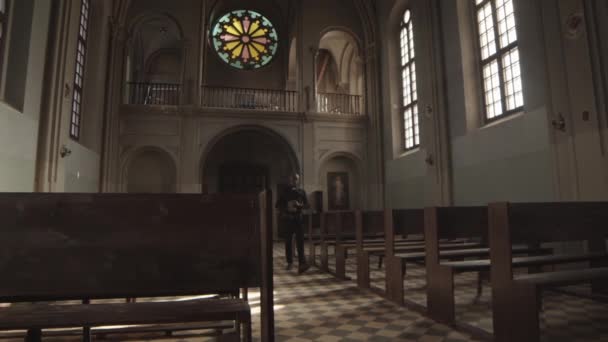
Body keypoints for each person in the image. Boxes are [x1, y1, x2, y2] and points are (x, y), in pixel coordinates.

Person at [276, 173, 310, 274]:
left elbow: (307, 205)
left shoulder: (302, 192)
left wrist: (300, 205)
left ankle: (301, 263)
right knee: (288, 241)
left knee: (300, 241)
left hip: (298, 219)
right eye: (293, 179)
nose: (294, 181)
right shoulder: (284, 192)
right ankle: (290, 262)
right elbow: (277, 205)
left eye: (296, 179)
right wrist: (286, 206)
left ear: (298, 180)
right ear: (289, 180)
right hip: (288, 219)